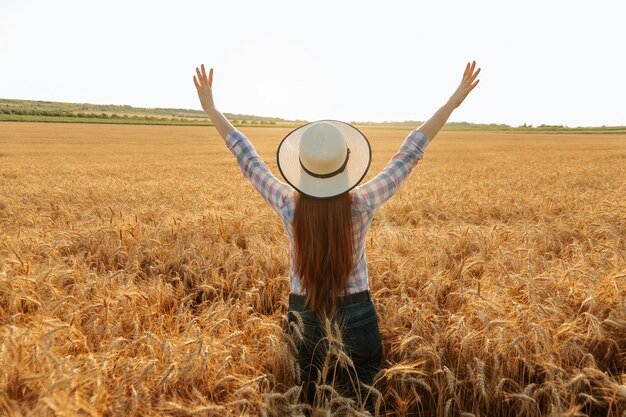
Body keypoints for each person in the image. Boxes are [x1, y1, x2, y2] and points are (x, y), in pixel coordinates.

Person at [193, 62, 480, 413]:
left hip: (303, 318)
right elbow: (408, 154)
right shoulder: (361, 203)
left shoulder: (288, 204)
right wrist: (451, 102)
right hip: (358, 315)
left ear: (301, 166)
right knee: (364, 404)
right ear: (346, 163)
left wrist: (212, 109)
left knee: (309, 404)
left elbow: (249, 159)